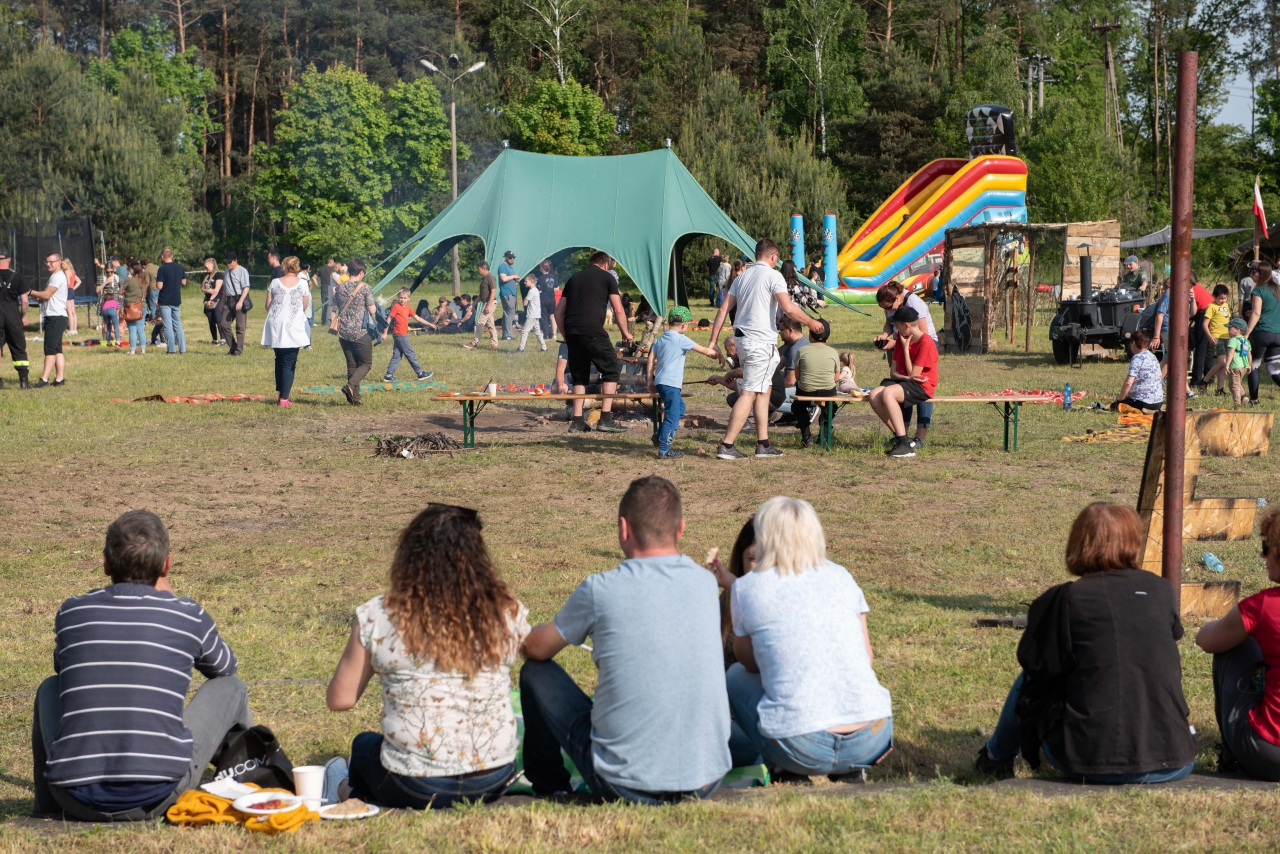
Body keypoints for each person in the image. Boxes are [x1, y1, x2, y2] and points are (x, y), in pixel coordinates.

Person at [519, 476, 731, 804]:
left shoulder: (599, 589)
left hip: (623, 783)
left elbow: (535, 648)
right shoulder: (705, 583)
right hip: (704, 779)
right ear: (681, 529)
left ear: (623, 528)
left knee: (535, 672)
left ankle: (551, 785)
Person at [32, 510, 251, 821]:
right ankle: (249, 786)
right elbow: (225, 667)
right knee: (233, 687)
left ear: (106, 564)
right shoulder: (187, 614)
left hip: (73, 797)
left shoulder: (72, 611)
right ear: (166, 565)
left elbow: (61, 666)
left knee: (48, 688)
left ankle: (46, 811)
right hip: (159, 796)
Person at [975, 503, 1196, 784]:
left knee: (1030, 678)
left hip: (1087, 761)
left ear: (1077, 543)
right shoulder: (1160, 589)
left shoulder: (1063, 599)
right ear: (1134, 543)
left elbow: (1037, 666)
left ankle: (996, 759)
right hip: (1175, 760)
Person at [324, 503, 528, 808]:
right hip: (495, 776)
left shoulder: (378, 614)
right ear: (477, 557)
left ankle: (343, 791)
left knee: (363, 746)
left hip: (416, 784)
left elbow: (339, 699)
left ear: (410, 554)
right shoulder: (505, 609)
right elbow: (532, 650)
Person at [708, 498, 893, 782]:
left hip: (801, 745)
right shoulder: (842, 576)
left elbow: (748, 662)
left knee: (735, 676)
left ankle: (785, 768)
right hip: (873, 737)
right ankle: (851, 769)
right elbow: (867, 657)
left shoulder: (749, 586)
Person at [708, 239, 824, 460]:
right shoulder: (773, 276)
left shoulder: (741, 277)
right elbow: (788, 307)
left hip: (743, 340)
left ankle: (763, 444)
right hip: (759, 342)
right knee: (751, 392)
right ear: (773, 257)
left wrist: (713, 342)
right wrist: (810, 322)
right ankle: (727, 444)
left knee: (764, 390)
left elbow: (723, 309)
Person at [1195, 505, 1280, 780]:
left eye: (1266, 547)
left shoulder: (1264, 606)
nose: (1262, 555)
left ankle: (1231, 758)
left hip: (1268, 751)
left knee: (1233, 646)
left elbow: (1207, 640)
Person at [552, 251, 634, 433]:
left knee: (579, 376)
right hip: (592, 330)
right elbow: (619, 310)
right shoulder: (607, 278)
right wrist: (626, 333)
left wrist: (568, 337)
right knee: (611, 369)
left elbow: (558, 314)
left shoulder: (573, 279)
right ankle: (605, 419)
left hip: (572, 331)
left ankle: (578, 421)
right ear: (606, 265)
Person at [647, 306, 718, 459]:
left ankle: (658, 435)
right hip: (671, 384)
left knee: (679, 407)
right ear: (684, 324)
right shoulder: (681, 339)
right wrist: (717, 354)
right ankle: (664, 450)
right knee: (672, 416)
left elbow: (651, 359)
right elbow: (705, 351)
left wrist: (649, 380)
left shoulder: (660, 339)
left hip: (661, 382)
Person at [867, 305, 938, 458]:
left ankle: (905, 446)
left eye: (897, 325)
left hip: (922, 386)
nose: (896, 329)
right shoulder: (901, 338)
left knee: (887, 393)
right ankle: (903, 439)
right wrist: (906, 377)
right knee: (874, 395)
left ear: (906, 325)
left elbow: (914, 374)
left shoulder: (926, 343)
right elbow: (893, 372)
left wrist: (906, 350)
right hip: (905, 382)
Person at [260, 256, 311, 407]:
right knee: (289, 362)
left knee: (279, 359)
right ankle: (284, 398)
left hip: (276, 324)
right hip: (293, 326)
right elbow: (304, 305)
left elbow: (268, 305)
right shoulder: (302, 284)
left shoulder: (275, 282)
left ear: (284, 266)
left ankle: (281, 391)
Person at [332, 259, 376, 405]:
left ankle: (355, 399)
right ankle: (350, 386)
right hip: (360, 331)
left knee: (352, 365)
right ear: (361, 272)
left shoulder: (339, 287)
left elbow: (337, 305)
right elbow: (372, 310)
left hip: (343, 331)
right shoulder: (365, 288)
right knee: (366, 363)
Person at [794, 319, 841, 448]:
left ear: (810, 334)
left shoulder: (802, 350)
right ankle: (824, 435)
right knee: (831, 407)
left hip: (806, 389)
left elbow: (797, 376)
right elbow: (836, 378)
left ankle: (806, 437)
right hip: (828, 390)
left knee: (798, 407)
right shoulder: (833, 352)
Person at [29, 252, 69, 387]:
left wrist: (30, 292)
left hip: (55, 317)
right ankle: (59, 380)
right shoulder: (56, 276)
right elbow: (48, 297)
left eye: (51, 261)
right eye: (47, 262)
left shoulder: (57, 277)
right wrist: (38, 298)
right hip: (57, 316)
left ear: (59, 262)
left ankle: (44, 380)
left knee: (49, 349)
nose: (48, 264)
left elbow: (47, 294)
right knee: (57, 349)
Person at [1243, 258, 1280, 405]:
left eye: (1254, 272)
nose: (1251, 274)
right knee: (1274, 370)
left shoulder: (1258, 290)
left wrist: (1246, 333)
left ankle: (1254, 400)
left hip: (1262, 333)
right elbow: (1269, 308)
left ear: (1261, 274)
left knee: (1253, 365)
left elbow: (1256, 314)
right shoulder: (1277, 288)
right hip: (1278, 334)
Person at [381, 288, 433, 381]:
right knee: (410, 353)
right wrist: (384, 333)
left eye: (405, 298)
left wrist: (429, 324)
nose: (402, 300)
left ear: (409, 298)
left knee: (397, 354)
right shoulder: (396, 306)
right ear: (398, 297)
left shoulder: (408, 307)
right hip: (400, 334)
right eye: (401, 297)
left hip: (401, 334)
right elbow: (388, 319)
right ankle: (420, 373)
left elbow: (417, 318)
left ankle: (389, 375)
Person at [1111, 330, 1164, 412]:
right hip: (1158, 402)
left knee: (1114, 406)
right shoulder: (1153, 356)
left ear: (1134, 343)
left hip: (1143, 402)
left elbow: (1128, 382)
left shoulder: (1137, 358)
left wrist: (1120, 398)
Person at [0, 247, 30, 388]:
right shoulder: (18, 277)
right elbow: (24, 301)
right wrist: (22, 316)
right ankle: (23, 381)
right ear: (9, 259)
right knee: (18, 347)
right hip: (12, 313)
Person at [1199, 285, 1233, 395]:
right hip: (1216, 337)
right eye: (1220, 298)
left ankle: (1220, 389)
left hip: (1227, 337)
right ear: (1214, 296)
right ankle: (1204, 381)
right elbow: (1205, 324)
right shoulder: (1211, 307)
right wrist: (1210, 336)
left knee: (1224, 364)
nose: (1223, 301)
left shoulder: (1227, 305)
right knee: (1222, 362)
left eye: (1225, 298)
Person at [153, 248, 187, 355]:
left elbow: (159, 286)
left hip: (165, 300)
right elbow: (184, 282)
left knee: (167, 325)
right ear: (172, 256)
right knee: (178, 324)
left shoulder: (162, 269)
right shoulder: (180, 267)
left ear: (162, 257)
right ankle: (182, 349)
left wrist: (156, 280)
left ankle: (171, 349)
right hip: (176, 299)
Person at [219, 252, 251, 356]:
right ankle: (233, 347)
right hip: (228, 301)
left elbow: (246, 287)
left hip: (239, 299)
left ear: (235, 260)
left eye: (230, 262)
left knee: (240, 327)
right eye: (226, 262)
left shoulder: (242, 271)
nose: (228, 264)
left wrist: (240, 301)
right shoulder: (226, 272)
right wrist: (222, 302)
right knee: (224, 325)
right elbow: (225, 288)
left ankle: (238, 351)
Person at [465, 261, 500, 350]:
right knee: (491, 325)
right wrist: (472, 305)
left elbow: (493, 292)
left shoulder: (490, 278)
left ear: (484, 269)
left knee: (480, 322)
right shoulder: (484, 279)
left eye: (479, 269)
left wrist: (488, 306)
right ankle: (494, 344)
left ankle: (474, 343)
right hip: (485, 302)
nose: (477, 271)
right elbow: (481, 295)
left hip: (490, 303)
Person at [1190, 275, 1216, 390]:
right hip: (1212, 311)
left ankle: (1196, 379)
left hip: (1204, 313)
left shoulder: (1189, 289)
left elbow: (1192, 311)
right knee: (1207, 350)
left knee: (1200, 349)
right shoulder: (1197, 286)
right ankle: (1209, 378)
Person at [121, 264, 147, 355]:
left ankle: (132, 350)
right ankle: (143, 350)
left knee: (132, 330)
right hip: (142, 306)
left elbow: (120, 291)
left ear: (133, 270)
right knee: (140, 329)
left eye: (130, 268)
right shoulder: (143, 280)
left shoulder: (129, 280)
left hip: (131, 308)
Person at [517, 274, 547, 352]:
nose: (525, 283)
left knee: (524, 331)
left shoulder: (531, 291)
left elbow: (525, 303)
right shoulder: (536, 290)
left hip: (532, 315)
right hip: (536, 314)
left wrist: (525, 298)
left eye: (526, 281)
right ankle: (544, 347)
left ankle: (521, 348)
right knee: (537, 332)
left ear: (531, 281)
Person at [199, 258, 224, 345]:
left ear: (212, 265)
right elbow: (203, 288)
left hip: (217, 300)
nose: (206, 268)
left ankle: (223, 339)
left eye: (207, 266)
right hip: (207, 300)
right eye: (205, 267)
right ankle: (214, 339)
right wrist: (208, 291)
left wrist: (211, 299)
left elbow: (216, 290)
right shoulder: (207, 277)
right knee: (211, 320)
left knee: (218, 319)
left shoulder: (218, 275)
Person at [497, 250, 519, 341]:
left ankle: (506, 334)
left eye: (513, 257)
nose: (512, 259)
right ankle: (507, 335)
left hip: (512, 293)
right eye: (510, 257)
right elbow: (503, 278)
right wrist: (513, 277)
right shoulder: (502, 266)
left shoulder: (511, 268)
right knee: (509, 314)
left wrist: (515, 280)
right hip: (507, 293)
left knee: (509, 314)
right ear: (505, 257)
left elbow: (509, 278)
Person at [536, 260, 558, 340]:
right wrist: (550, 289)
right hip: (552, 299)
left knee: (544, 317)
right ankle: (554, 334)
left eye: (540, 267)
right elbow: (557, 288)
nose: (539, 268)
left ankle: (546, 334)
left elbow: (540, 290)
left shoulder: (541, 278)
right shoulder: (554, 276)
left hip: (543, 299)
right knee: (552, 316)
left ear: (542, 268)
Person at [98, 268, 121, 345]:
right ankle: (117, 340)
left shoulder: (105, 302)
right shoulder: (114, 301)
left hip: (105, 311)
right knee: (116, 326)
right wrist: (117, 316)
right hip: (112, 311)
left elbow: (103, 309)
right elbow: (117, 309)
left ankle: (108, 341)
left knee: (108, 326)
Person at [62, 258, 80, 335]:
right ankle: (74, 329)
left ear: (68, 264)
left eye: (64, 264)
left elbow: (68, 282)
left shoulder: (66, 272)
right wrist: (73, 288)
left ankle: (71, 329)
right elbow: (79, 281)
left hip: (67, 291)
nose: (62, 266)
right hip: (71, 291)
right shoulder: (72, 272)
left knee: (69, 311)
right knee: (73, 311)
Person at [319, 257, 337, 326]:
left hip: (323, 288)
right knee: (330, 305)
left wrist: (318, 286)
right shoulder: (333, 270)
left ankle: (323, 320)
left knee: (324, 305)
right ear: (331, 262)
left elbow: (314, 277)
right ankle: (328, 321)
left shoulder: (321, 269)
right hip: (330, 288)